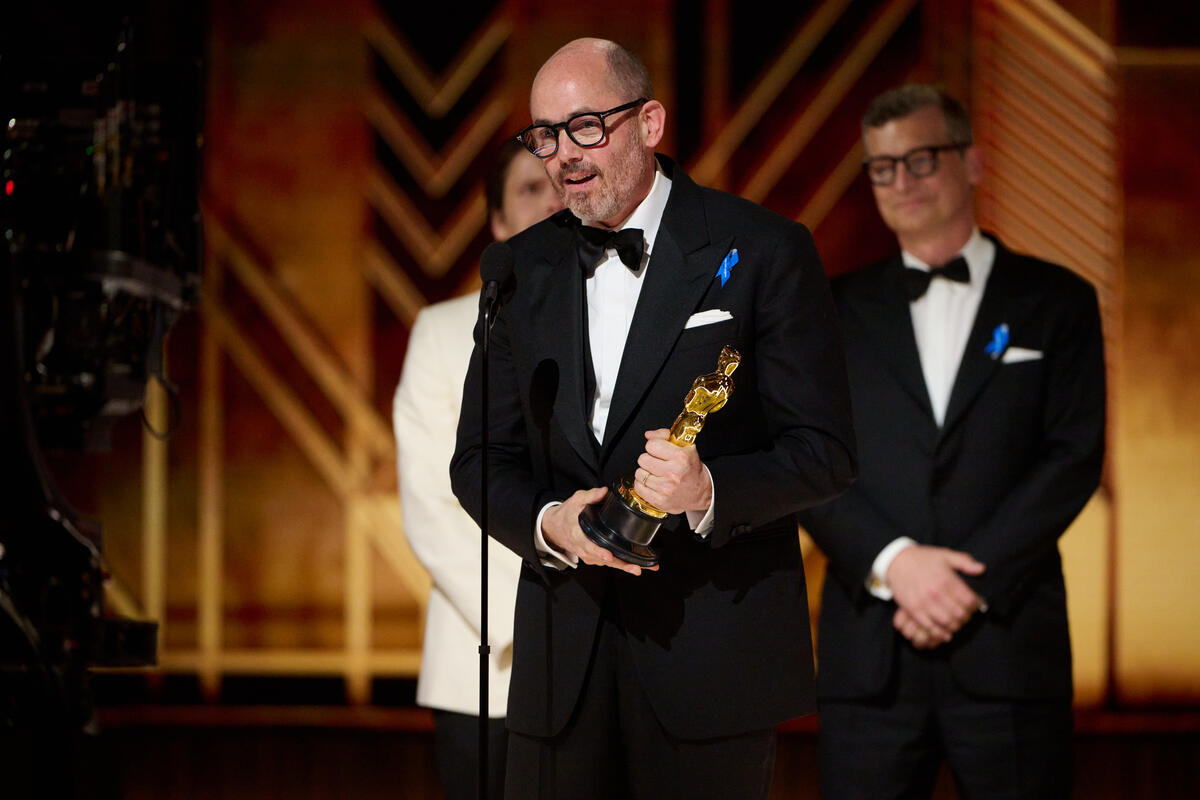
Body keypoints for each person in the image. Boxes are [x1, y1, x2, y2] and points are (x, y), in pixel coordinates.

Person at [449, 38, 856, 800]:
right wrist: (548, 525)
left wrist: (707, 491)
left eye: (586, 127)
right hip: (559, 668)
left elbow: (825, 451)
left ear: (650, 122)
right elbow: (478, 459)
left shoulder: (764, 250)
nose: (562, 154)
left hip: (711, 662)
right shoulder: (518, 268)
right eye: (544, 135)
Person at [797, 84, 1106, 798]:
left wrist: (968, 582)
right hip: (868, 657)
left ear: (973, 162)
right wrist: (896, 563)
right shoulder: (827, 310)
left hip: (1009, 652)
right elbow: (808, 459)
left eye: (922, 159)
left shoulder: (1058, 300)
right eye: (883, 166)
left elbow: (1073, 456)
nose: (901, 181)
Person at [392, 139, 563, 800]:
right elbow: (434, 502)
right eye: (529, 188)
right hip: (485, 662)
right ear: (497, 223)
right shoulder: (441, 331)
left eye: (561, 183)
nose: (552, 199)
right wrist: (540, 618)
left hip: (614, 655)